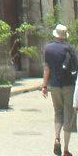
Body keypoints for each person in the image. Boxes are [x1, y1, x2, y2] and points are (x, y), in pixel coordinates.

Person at [43, 24, 77, 156]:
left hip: (54, 85)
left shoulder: (48, 49)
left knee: (58, 113)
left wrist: (44, 86)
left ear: (55, 35)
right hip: (69, 85)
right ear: (65, 36)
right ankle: (66, 149)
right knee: (68, 114)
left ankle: (56, 137)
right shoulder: (70, 49)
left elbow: (46, 68)